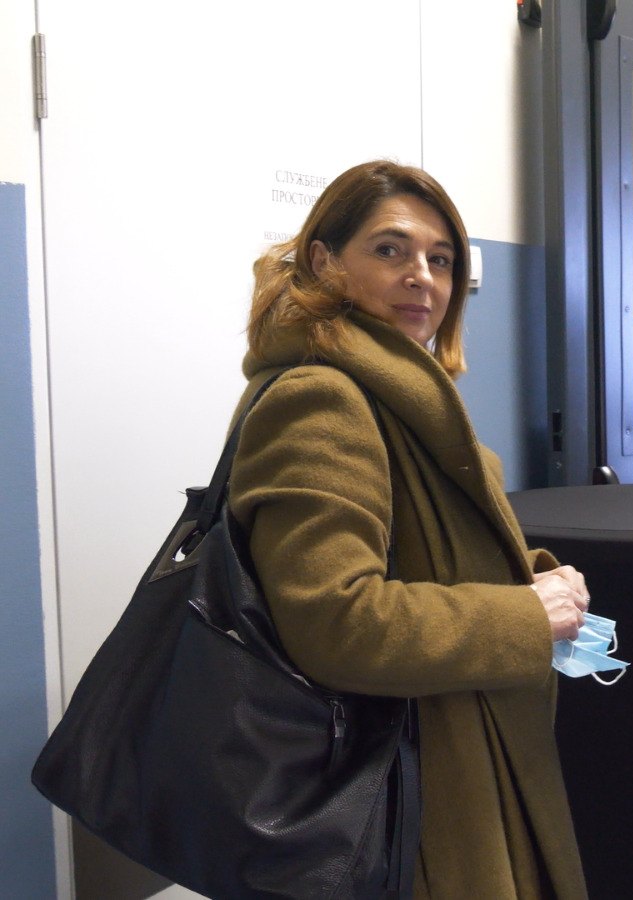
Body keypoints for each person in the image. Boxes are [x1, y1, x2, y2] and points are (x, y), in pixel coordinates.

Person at [229, 160, 589, 897]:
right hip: (412, 781)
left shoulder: (397, 391)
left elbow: (422, 549)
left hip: (452, 744)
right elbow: (337, 621)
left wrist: (528, 576)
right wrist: (524, 616)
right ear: (324, 260)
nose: (421, 276)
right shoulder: (322, 398)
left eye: (441, 258)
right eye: (390, 249)